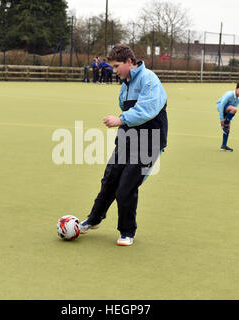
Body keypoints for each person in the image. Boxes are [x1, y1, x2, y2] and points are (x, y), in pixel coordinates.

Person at [79, 44, 168, 246]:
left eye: (117, 65)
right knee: (110, 179)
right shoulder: (124, 84)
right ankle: (94, 219)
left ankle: (127, 232)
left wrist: (121, 120)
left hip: (149, 142)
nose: (114, 70)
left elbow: (148, 109)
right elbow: (125, 106)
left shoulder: (149, 79)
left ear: (130, 62)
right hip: (128, 139)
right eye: (112, 66)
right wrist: (124, 124)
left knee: (126, 187)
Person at [216, 82, 239, 152]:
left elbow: (233, 111)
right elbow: (221, 106)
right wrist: (221, 120)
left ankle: (223, 146)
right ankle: (223, 125)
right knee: (234, 109)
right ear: (236, 89)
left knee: (228, 127)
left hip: (229, 109)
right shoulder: (229, 95)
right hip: (221, 107)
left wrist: (229, 120)